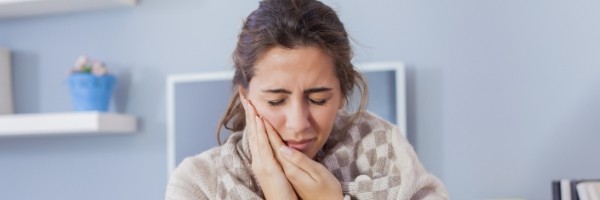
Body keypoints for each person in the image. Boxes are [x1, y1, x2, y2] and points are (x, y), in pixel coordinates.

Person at [165, 0, 449, 199]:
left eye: (319, 99)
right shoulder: (198, 182)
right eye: (276, 101)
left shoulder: (387, 155)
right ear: (245, 97)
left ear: (342, 94)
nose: (299, 124)